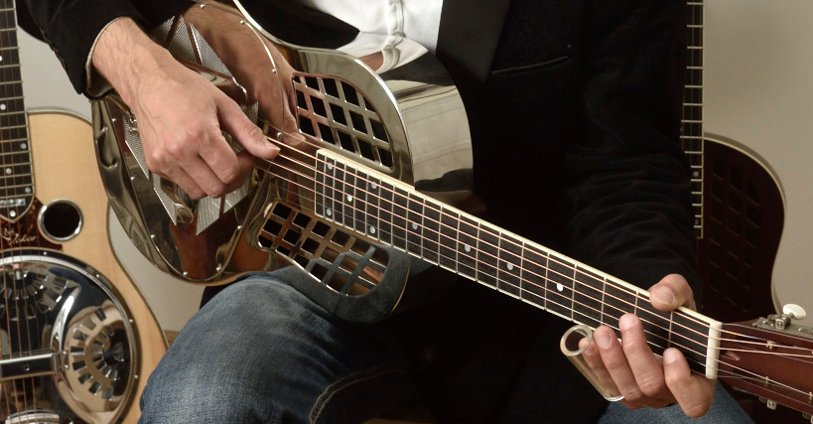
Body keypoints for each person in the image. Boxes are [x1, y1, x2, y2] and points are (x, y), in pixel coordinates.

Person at [22, 0, 754, 423]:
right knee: (203, 401)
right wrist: (146, 79)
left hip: (535, 298)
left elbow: (623, 160)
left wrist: (649, 288)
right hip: (298, 274)